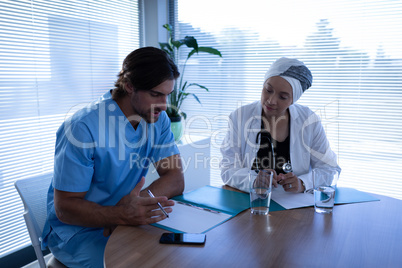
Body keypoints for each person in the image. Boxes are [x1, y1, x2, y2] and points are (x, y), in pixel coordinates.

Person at [41, 47, 185, 267]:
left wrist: (132, 208)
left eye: (167, 95)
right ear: (129, 86)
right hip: (80, 232)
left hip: (126, 222)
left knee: (175, 257)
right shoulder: (82, 128)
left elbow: (175, 177)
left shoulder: (158, 118)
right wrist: (119, 215)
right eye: (155, 94)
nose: (164, 105)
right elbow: (65, 208)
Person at [220, 57, 340, 193]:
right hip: (253, 202)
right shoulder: (240, 117)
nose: (271, 101)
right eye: (268, 90)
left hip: (295, 207)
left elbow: (330, 168)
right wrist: (253, 180)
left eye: (282, 97)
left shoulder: (309, 120)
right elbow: (228, 168)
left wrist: (303, 183)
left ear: (293, 100)